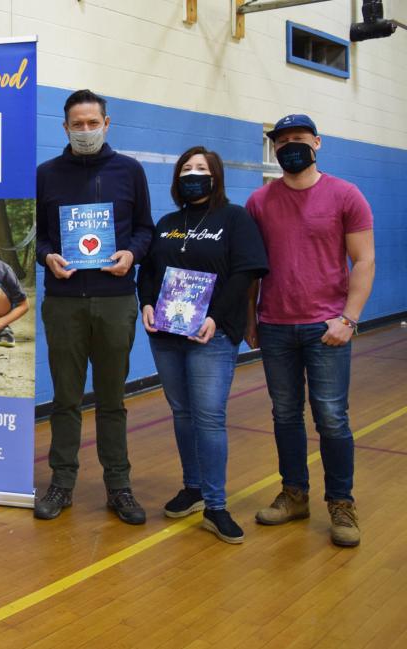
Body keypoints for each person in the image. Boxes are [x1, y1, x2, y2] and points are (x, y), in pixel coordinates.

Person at [246, 114, 375, 548]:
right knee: (285, 415)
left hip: (327, 328)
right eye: (281, 141)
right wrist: (251, 318)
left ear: (317, 143)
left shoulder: (346, 195)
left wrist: (348, 318)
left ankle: (341, 502)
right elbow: (251, 270)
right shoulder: (259, 202)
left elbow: (365, 260)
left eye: (298, 139)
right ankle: (294, 493)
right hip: (276, 326)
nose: (289, 146)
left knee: (332, 418)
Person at [34, 88, 155, 524]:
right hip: (64, 303)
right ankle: (61, 484)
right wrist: (46, 256)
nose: (85, 131)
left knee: (111, 400)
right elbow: (38, 237)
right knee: (65, 399)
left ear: (107, 124)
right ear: (64, 127)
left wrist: (132, 255)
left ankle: (119, 487)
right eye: (76, 124)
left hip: (115, 301)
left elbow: (145, 229)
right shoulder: (46, 174)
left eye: (92, 123)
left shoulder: (130, 171)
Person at [137, 146, 268, 544]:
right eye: (186, 168)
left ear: (215, 176)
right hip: (167, 335)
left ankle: (216, 504)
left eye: (201, 168)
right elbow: (149, 272)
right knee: (182, 413)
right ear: (177, 178)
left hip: (211, 335)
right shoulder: (167, 222)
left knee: (209, 417)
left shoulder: (235, 218)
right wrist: (144, 302)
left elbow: (246, 273)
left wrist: (215, 317)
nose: (193, 174)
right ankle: (192, 487)